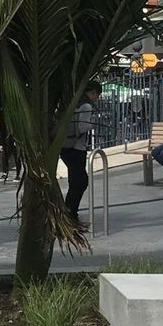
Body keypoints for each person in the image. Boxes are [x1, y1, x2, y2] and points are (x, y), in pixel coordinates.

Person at [60, 81, 101, 223]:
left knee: (75, 181)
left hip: (66, 147)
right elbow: (82, 127)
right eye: (97, 95)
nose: (96, 98)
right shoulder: (86, 105)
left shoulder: (74, 102)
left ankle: (69, 212)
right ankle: (70, 213)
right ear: (93, 92)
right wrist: (94, 122)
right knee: (81, 182)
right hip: (77, 148)